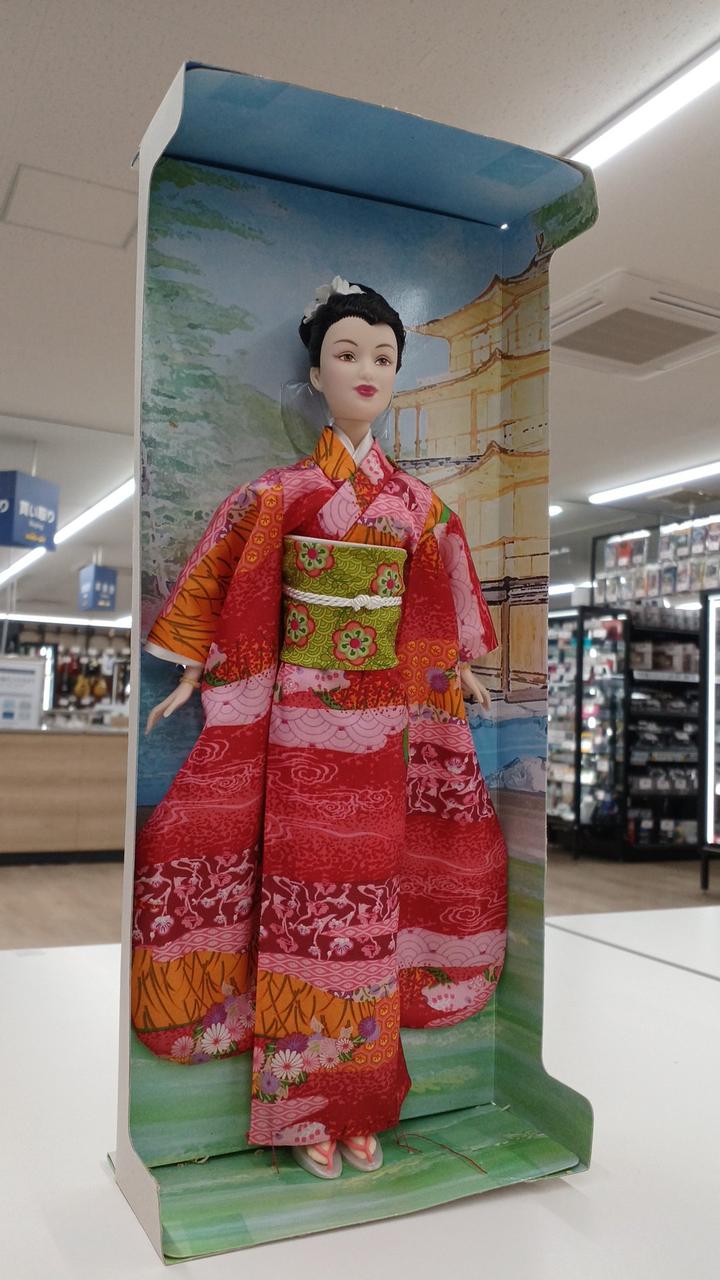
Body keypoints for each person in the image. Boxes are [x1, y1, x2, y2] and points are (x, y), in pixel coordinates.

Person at [133, 277, 508, 1179]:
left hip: (383, 726)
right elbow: (231, 574)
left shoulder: (418, 509)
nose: (367, 370)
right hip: (298, 721)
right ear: (315, 373)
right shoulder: (279, 494)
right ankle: (302, 1107)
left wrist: (455, 668)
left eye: (383, 356)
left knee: (366, 905)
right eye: (347, 353)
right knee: (302, 898)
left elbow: (440, 596)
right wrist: (194, 668)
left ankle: (360, 1099)